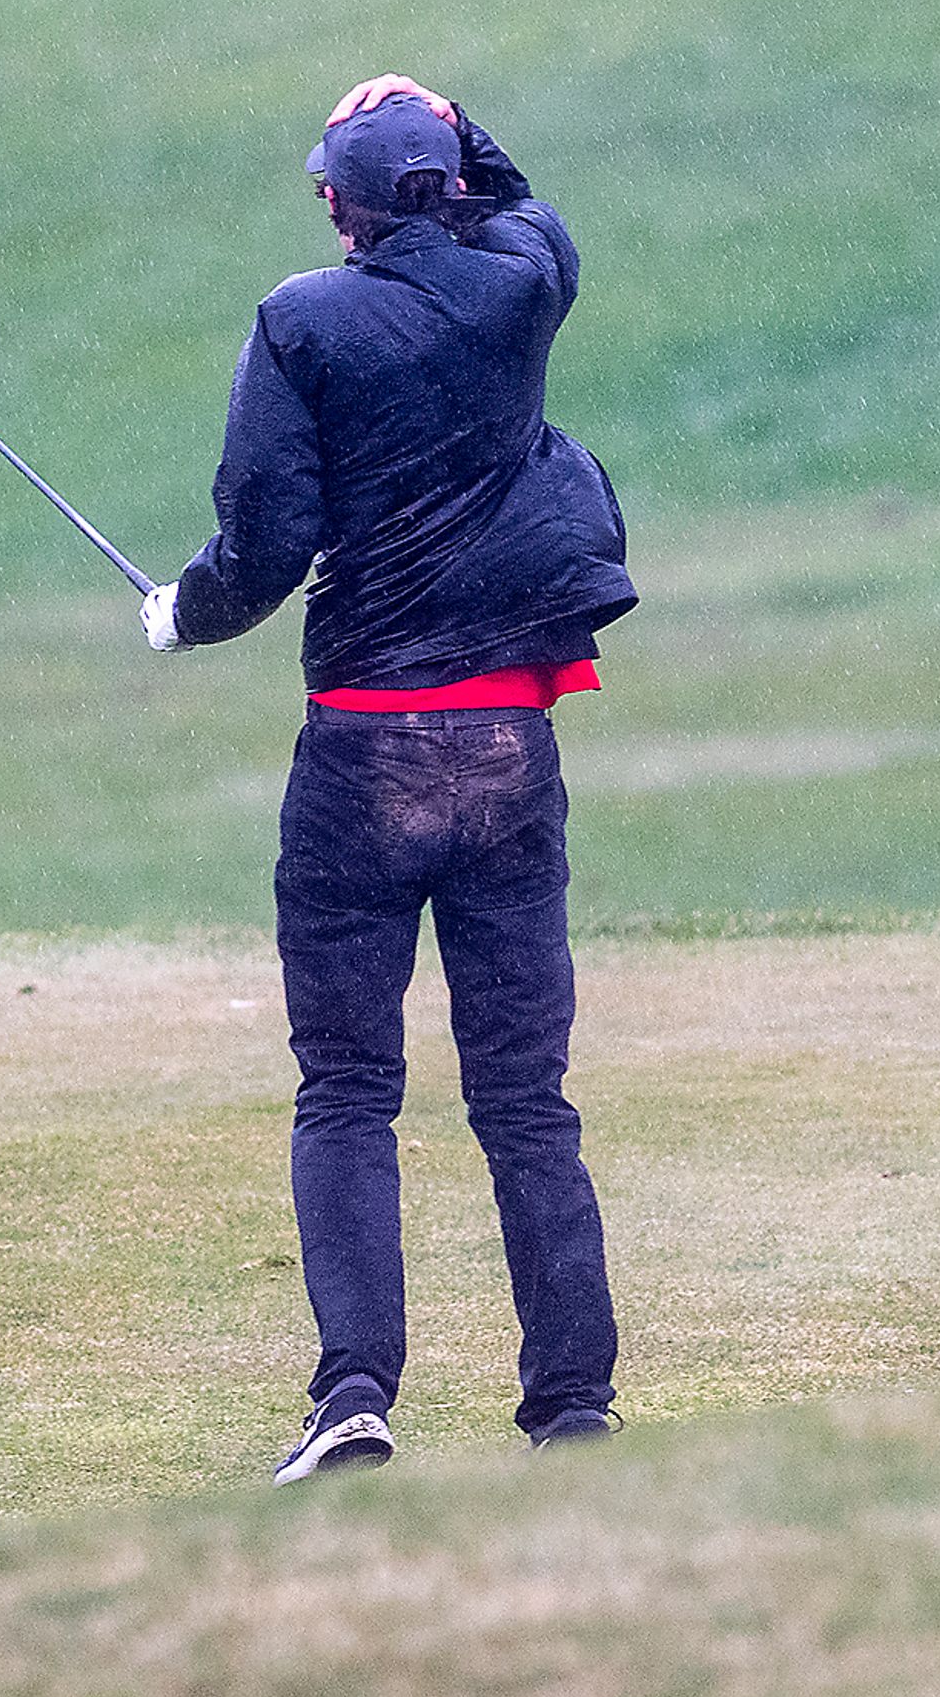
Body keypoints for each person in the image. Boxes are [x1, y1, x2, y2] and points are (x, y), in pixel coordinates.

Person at [140, 73, 639, 1486]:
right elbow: (532, 208)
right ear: (453, 185)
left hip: (363, 750)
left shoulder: (302, 325)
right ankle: (575, 1405)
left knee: (350, 1087)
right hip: (504, 750)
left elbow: (263, 546)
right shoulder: (519, 288)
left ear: (337, 206)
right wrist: (449, 115)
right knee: (525, 1097)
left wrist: (182, 614)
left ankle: (354, 1395)